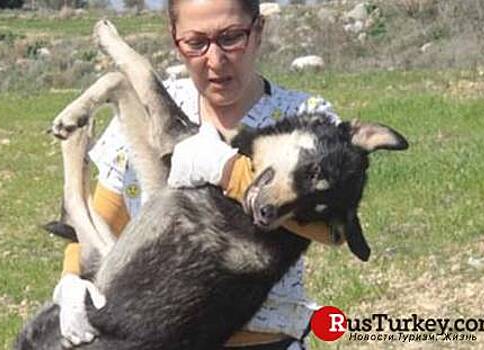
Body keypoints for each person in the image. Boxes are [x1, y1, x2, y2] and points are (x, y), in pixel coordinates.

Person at [52, 1, 342, 348]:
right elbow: (103, 216)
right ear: (175, 40)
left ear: (259, 30)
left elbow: (333, 229)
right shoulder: (154, 107)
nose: (216, 60)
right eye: (196, 43)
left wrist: (229, 172)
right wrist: (71, 279)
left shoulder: (306, 120)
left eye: (232, 37)